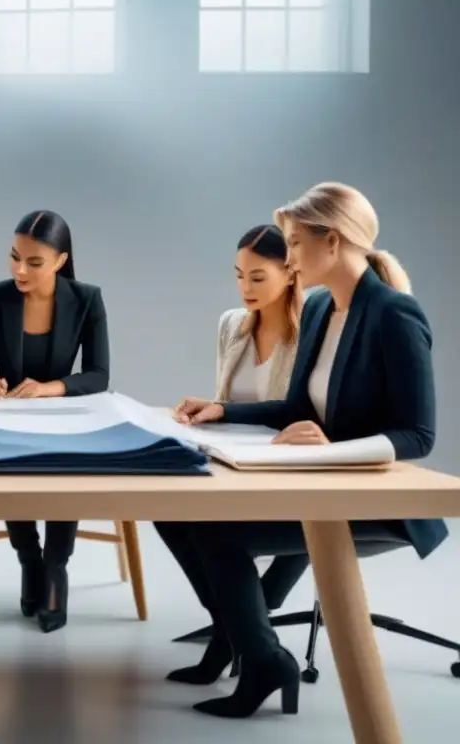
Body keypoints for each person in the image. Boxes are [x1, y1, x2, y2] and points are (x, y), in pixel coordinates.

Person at [172, 182, 449, 719]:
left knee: (215, 531)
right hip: (323, 479)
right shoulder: (323, 308)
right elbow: (294, 407)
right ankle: (256, 649)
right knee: (194, 517)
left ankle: (262, 660)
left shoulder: (395, 314)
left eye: (295, 243)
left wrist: (334, 448)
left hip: (376, 500)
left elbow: (419, 435)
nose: (290, 257)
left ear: (333, 241)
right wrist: (222, 410)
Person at [159, 224, 311, 686]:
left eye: (258, 277)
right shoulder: (232, 325)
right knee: (164, 507)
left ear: (290, 273)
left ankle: (240, 633)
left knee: (211, 531)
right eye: (239, 275)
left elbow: (302, 413)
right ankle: (236, 627)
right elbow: (231, 402)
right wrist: (200, 413)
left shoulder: (311, 332)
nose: (245, 288)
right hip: (235, 464)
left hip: (291, 471)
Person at [0, 210, 109, 633]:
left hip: (66, 417)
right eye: (14, 257)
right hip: (8, 418)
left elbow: (99, 374)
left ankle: (55, 568)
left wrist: (50, 388)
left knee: (68, 467)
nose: (19, 270)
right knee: (10, 460)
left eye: (34, 262)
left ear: (61, 261)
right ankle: (29, 558)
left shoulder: (86, 299)